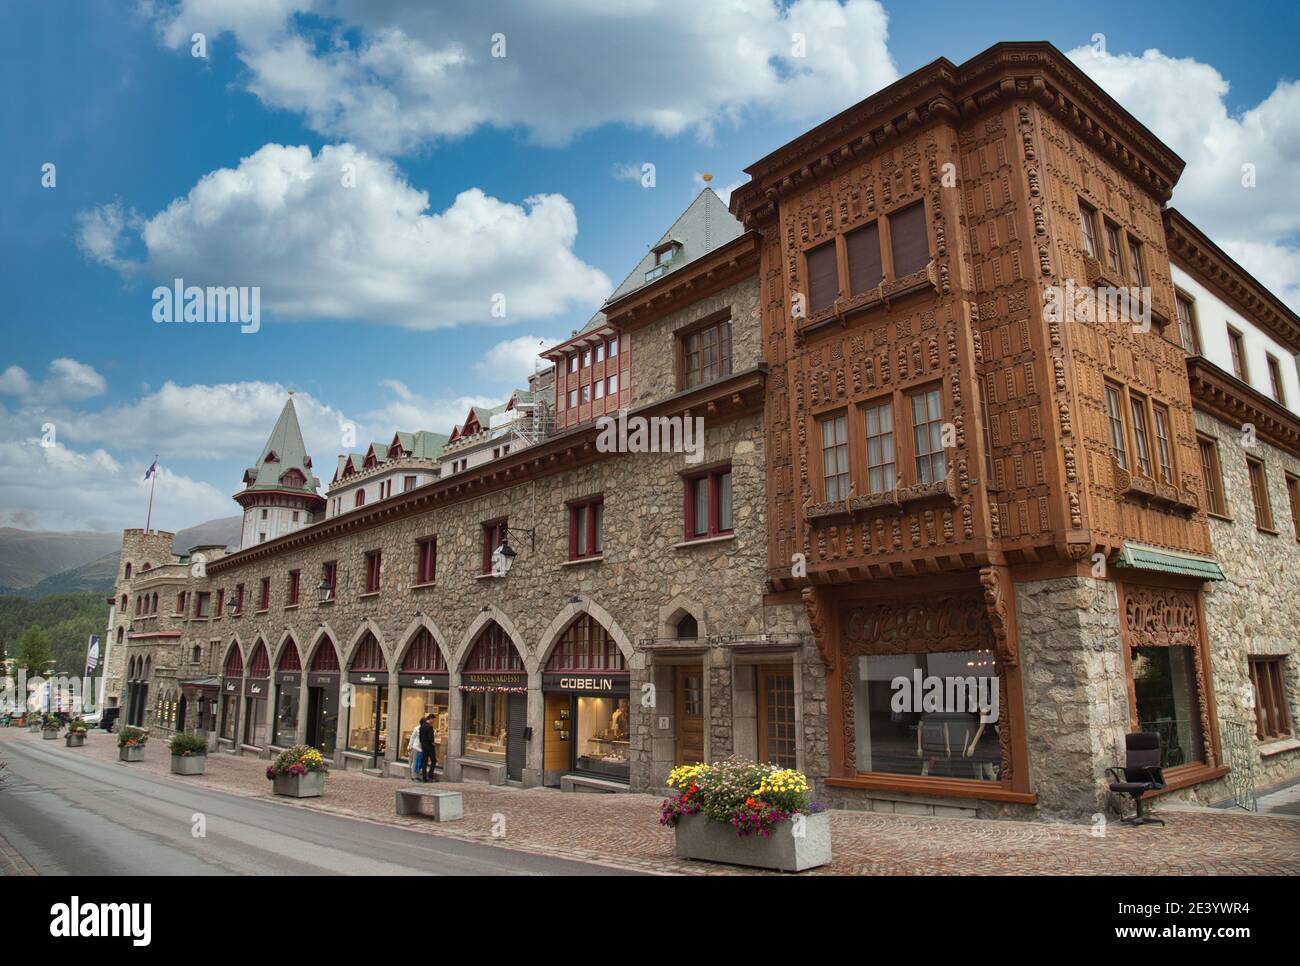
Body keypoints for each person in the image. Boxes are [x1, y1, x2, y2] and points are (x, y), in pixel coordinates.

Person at [419, 713, 437, 783]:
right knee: (434, 760)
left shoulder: (422, 726)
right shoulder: (429, 727)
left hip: (423, 745)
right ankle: (430, 776)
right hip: (429, 746)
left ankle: (424, 778)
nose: (433, 721)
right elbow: (430, 738)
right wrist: (433, 743)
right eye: (433, 720)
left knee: (425, 761)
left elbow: (420, 737)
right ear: (431, 719)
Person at [407, 716, 424, 781]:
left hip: (421, 748)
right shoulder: (417, 728)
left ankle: (417, 775)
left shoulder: (424, 728)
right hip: (416, 747)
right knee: (415, 762)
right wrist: (409, 746)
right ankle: (413, 776)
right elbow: (412, 737)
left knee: (419, 763)